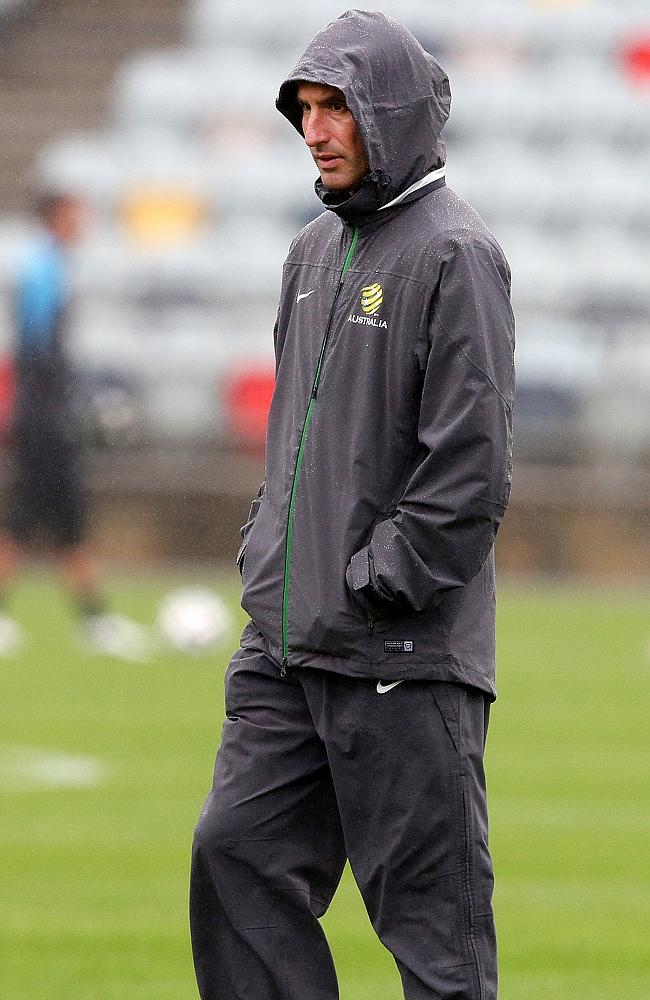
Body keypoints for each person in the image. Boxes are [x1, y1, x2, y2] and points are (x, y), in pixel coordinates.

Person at [190, 10, 515, 1000]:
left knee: (435, 948)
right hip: (284, 652)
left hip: (399, 658)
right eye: (306, 108)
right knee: (233, 857)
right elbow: (293, 441)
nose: (317, 129)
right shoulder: (309, 253)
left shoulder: (455, 253)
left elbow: (468, 468)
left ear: (393, 113)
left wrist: (379, 582)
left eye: (338, 107)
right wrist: (271, 560)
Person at [0, 189, 149, 661]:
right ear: (57, 218)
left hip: (44, 414)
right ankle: (93, 620)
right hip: (44, 418)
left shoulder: (51, 266)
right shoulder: (45, 269)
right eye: (75, 215)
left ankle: (93, 618)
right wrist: (59, 407)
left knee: (51, 516)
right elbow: (37, 347)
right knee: (35, 515)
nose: (81, 224)